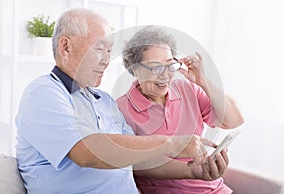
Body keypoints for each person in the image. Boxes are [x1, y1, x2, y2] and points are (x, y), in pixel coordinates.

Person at [15, 9, 215, 194]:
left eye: (109, 51)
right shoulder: (43, 93)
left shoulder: (104, 101)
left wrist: (194, 172)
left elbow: (138, 160)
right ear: (66, 47)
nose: (106, 60)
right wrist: (171, 143)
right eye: (99, 48)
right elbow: (86, 151)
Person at [116, 26, 244, 194]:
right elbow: (133, 164)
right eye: (156, 68)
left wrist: (203, 81)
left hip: (216, 190)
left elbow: (234, 120)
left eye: (170, 65)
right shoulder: (121, 109)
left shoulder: (187, 89)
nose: (165, 76)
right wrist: (195, 170)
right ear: (135, 69)